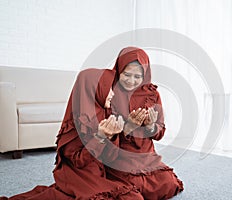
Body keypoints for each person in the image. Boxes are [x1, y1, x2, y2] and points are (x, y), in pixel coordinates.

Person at [1, 68, 143, 200]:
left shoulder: (106, 114)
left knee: (134, 196)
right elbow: (79, 161)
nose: (112, 93)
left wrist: (115, 135)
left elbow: (110, 157)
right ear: (95, 89)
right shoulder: (75, 123)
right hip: (77, 176)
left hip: (99, 173)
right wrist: (99, 137)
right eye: (109, 88)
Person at [105, 47, 184, 200]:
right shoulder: (109, 92)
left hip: (146, 155)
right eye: (127, 75)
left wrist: (150, 126)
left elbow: (160, 133)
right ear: (119, 70)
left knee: (168, 184)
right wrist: (129, 127)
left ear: (145, 75)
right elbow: (102, 133)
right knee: (128, 189)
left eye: (137, 76)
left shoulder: (152, 93)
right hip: (118, 156)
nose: (131, 81)